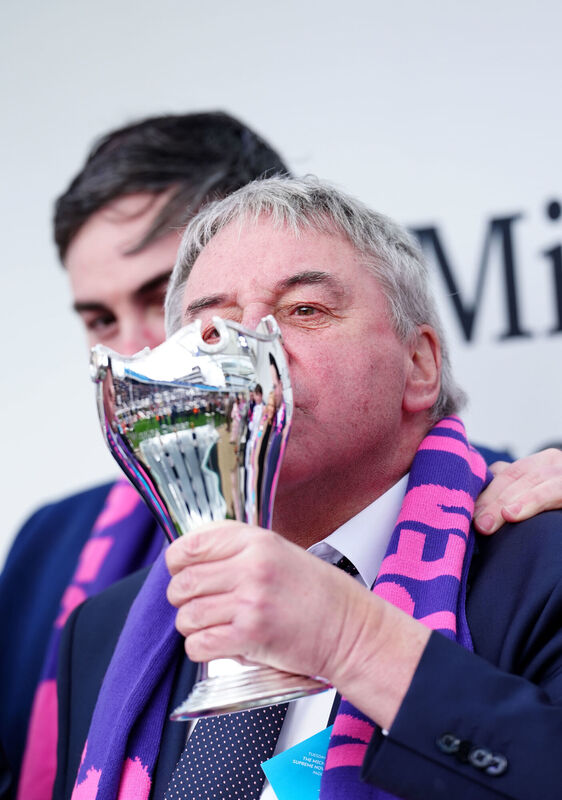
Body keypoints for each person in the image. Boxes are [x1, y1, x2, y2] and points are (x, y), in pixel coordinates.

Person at [55, 177, 562, 800]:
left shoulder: (547, 567)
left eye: (304, 311)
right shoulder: (101, 630)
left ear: (420, 365)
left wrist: (354, 639)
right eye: (212, 327)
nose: (249, 350)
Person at [0, 111, 290, 800]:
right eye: (100, 319)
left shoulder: (471, 509)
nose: (136, 352)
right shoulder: (49, 544)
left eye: (167, 298)